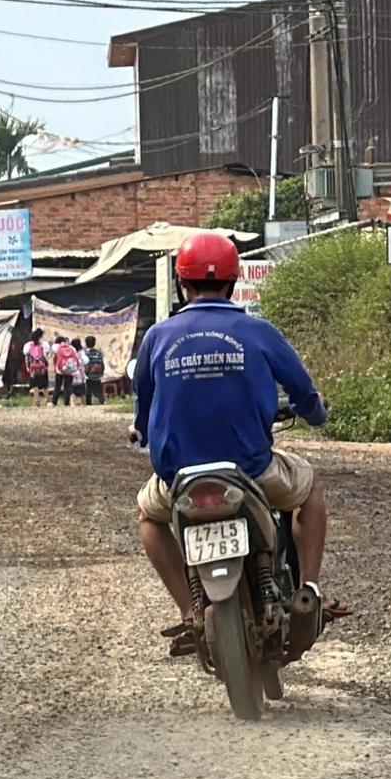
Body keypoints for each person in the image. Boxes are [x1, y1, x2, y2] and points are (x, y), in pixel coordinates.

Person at [133, 232, 330, 657]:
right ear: (234, 280)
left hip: (179, 478)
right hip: (252, 470)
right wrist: (317, 415)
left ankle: (189, 611)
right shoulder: (257, 331)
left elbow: (144, 406)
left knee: (149, 517)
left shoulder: (158, 337)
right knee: (309, 488)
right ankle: (309, 591)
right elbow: (302, 389)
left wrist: (143, 434)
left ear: (182, 283)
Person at [50, 335, 81, 406]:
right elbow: (75, 358)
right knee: (68, 386)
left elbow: (54, 358)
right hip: (70, 369)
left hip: (60, 369)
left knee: (58, 386)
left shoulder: (56, 347)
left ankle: (54, 402)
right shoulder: (72, 348)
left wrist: (55, 366)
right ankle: (66, 402)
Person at [22, 329, 50, 406]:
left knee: (35, 385)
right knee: (45, 385)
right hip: (42, 367)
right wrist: (48, 365)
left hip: (33, 368)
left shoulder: (28, 345)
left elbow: (26, 357)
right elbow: (46, 356)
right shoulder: (44, 345)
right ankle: (47, 400)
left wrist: (27, 367)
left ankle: (37, 401)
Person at [82, 335, 107, 405]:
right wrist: (101, 372)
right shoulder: (99, 353)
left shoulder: (85, 353)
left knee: (88, 389)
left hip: (89, 375)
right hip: (98, 374)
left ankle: (88, 402)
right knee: (98, 389)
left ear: (86, 343)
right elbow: (102, 363)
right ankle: (102, 400)